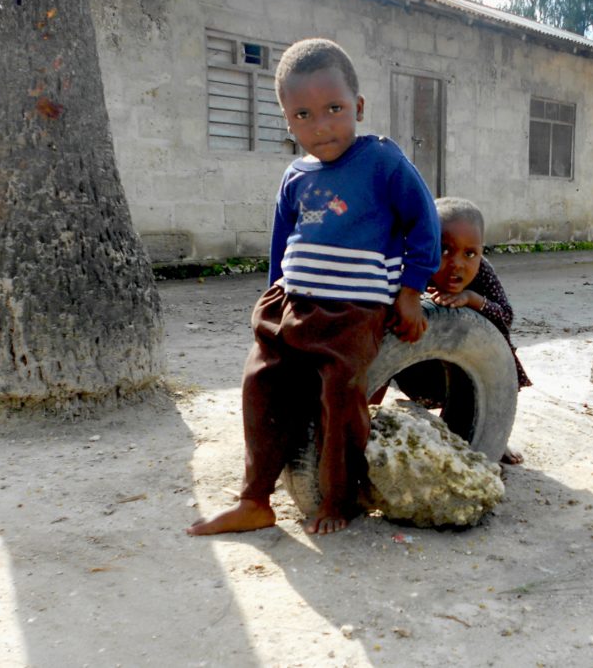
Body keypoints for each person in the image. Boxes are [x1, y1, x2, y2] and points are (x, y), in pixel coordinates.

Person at [187, 38, 440, 537]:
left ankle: (337, 500)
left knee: (340, 399)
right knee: (260, 385)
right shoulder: (295, 176)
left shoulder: (382, 161)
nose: (320, 125)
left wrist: (410, 292)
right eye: (302, 115)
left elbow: (423, 221)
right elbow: (282, 245)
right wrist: (273, 300)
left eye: (334, 109)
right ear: (286, 119)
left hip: (353, 311)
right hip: (293, 303)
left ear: (359, 107)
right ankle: (254, 499)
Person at [388, 197, 532, 464]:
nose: (457, 264)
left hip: (477, 363)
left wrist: (473, 300)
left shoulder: (483, 273)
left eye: (470, 254)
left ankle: (495, 438)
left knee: (492, 387)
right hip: (420, 359)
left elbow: (506, 316)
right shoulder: (413, 269)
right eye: (444, 250)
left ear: (481, 251)